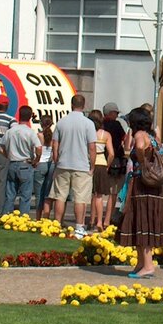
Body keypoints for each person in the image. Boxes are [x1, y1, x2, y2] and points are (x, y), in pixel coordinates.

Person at [117, 108, 163, 278]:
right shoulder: (153, 138)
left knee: (142, 222)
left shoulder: (140, 135)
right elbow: (159, 151)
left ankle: (148, 266)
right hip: (153, 187)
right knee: (144, 221)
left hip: (142, 185)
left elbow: (140, 146)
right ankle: (141, 263)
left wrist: (141, 160)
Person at [50, 94, 97, 235]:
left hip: (63, 163)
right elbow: (92, 147)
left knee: (60, 195)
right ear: (84, 106)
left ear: (71, 104)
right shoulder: (88, 123)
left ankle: (57, 224)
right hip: (81, 165)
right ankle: (79, 227)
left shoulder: (62, 122)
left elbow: (55, 143)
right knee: (80, 198)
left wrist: (57, 159)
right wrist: (92, 165)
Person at [0, 105, 42, 215]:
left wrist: (7, 155)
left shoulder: (11, 131)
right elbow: (38, 147)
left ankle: (6, 216)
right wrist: (36, 160)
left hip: (12, 163)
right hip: (25, 163)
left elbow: (0, 145)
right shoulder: (30, 132)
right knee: (25, 196)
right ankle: (23, 218)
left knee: (10, 194)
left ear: (19, 115)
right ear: (29, 117)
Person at [88, 109, 116, 231]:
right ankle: (99, 221)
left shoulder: (88, 133)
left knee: (90, 194)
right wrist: (107, 165)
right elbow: (111, 154)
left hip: (89, 164)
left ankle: (91, 219)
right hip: (101, 164)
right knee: (99, 196)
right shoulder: (106, 134)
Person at [102, 102, 127, 225]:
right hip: (115, 161)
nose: (117, 115)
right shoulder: (116, 125)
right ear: (111, 113)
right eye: (116, 113)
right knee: (113, 192)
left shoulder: (100, 125)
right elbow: (125, 140)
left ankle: (95, 220)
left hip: (101, 159)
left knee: (98, 194)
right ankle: (107, 220)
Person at [32, 114, 56, 219]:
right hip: (50, 164)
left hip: (40, 164)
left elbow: (38, 150)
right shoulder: (54, 136)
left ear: (41, 124)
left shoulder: (39, 135)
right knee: (47, 193)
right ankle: (46, 216)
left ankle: (38, 217)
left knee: (38, 193)